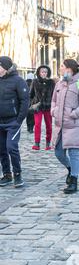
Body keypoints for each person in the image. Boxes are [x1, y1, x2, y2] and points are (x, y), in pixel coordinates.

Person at [51, 59, 79, 194]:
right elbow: (53, 100)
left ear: (69, 69)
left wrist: (74, 113)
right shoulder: (59, 84)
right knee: (58, 152)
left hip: (74, 124)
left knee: (74, 153)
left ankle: (74, 180)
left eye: (61, 66)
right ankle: (71, 169)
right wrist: (54, 110)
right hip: (60, 124)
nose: (60, 68)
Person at [0, 56, 29, 188]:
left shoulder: (18, 81)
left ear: (6, 68)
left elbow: (25, 101)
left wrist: (19, 120)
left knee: (11, 147)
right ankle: (7, 175)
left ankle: (18, 175)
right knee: (2, 149)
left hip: (13, 122)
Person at [30, 65, 55, 151]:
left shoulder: (51, 82)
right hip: (38, 107)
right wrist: (32, 104)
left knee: (49, 125)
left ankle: (48, 143)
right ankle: (37, 143)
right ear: (39, 73)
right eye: (42, 72)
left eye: (45, 72)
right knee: (37, 125)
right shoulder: (35, 82)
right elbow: (31, 94)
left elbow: (54, 95)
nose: (44, 73)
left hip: (48, 106)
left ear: (47, 73)